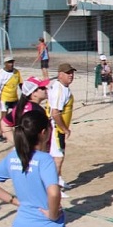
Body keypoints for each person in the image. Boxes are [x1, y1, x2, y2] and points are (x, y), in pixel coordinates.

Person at [47, 63, 75, 193]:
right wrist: (64, 129)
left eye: (72, 73)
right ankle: (54, 188)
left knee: (58, 156)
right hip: (55, 128)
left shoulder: (61, 87)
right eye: (68, 73)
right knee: (57, 158)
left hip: (56, 127)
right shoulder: (59, 90)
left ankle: (58, 180)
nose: (71, 75)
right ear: (60, 75)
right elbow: (55, 113)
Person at [0, 56, 22, 143]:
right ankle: (1, 134)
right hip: (4, 98)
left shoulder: (17, 72)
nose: (11, 64)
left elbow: (21, 84)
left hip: (15, 98)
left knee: (18, 115)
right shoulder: (0, 74)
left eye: (12, 62)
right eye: (9, 62)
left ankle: (18, 133)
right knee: (4, 116)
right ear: (5, 64)